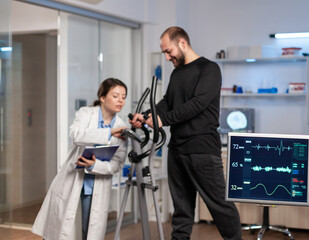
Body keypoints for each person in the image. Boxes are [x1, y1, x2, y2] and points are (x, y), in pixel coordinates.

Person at [131, 26, 242, 240]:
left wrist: (163, 120)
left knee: (220, 206)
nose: (166, 56)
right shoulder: (177, 72)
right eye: (163, 52)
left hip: (202, 150)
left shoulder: (209, 69)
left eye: (168, 50)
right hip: (178, 150)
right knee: (181, 210)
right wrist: (145, 116)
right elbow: (167, 102)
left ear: (182, 43)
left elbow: (197, 104)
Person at [32, 78, 129, 240]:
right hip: (71, 180)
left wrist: (94, 165)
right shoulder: (86, 113)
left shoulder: (122, 127)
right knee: (58, 229)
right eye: (116, 96)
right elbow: (76, 135)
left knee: (87, 231)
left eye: (124, 97)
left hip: (95, 186)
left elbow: (117, 164)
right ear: (103, 98)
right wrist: (109, 133)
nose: (121, 100)